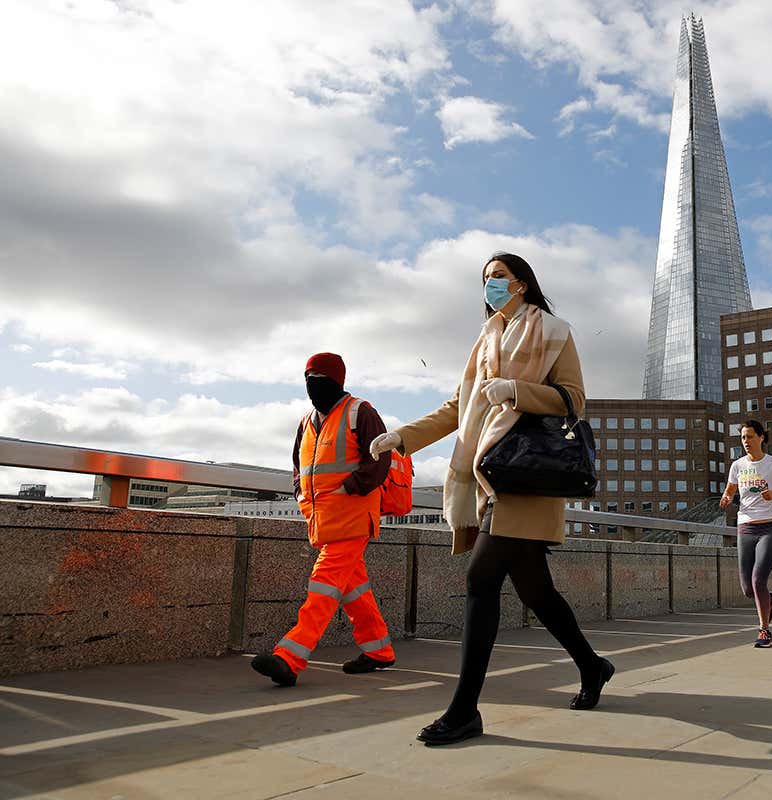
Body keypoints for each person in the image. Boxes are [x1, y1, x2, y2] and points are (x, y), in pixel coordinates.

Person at [370, 252, 613, 746]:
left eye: (498, 277)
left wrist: (516, 390)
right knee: (536, 592)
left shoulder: (555, 331)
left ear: (521, 283)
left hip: (527, 475)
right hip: (489, 475)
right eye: (485, 280)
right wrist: (403, 437)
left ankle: (464, 711)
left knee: (481, 579)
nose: (490, 286)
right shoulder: (486, 338)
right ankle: (592, 665)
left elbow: (574, 400)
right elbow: (460, 407)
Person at [251, 352, 395, 687]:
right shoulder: (306, 422)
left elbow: (380, 458)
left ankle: (290, 657)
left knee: (323, 584)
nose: (312, 387)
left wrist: (350, 487)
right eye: (308, 381)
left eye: (319, 380)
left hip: (353, 516)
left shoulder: (361, 411)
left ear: (337, 381)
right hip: (322, 520)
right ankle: (379, 651)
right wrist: (299, 493)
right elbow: (298, 467)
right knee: (353, 588)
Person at [719, 420, 772, 649]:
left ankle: (764, 631)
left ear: (762, 437)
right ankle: (770, 599)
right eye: (743, 438)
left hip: (770, 528)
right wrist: (726, 499)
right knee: (747, 589)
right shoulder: (738, 466)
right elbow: (730, 491)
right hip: (745, 528)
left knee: (757, 580)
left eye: (750, 437)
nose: (746, 442)